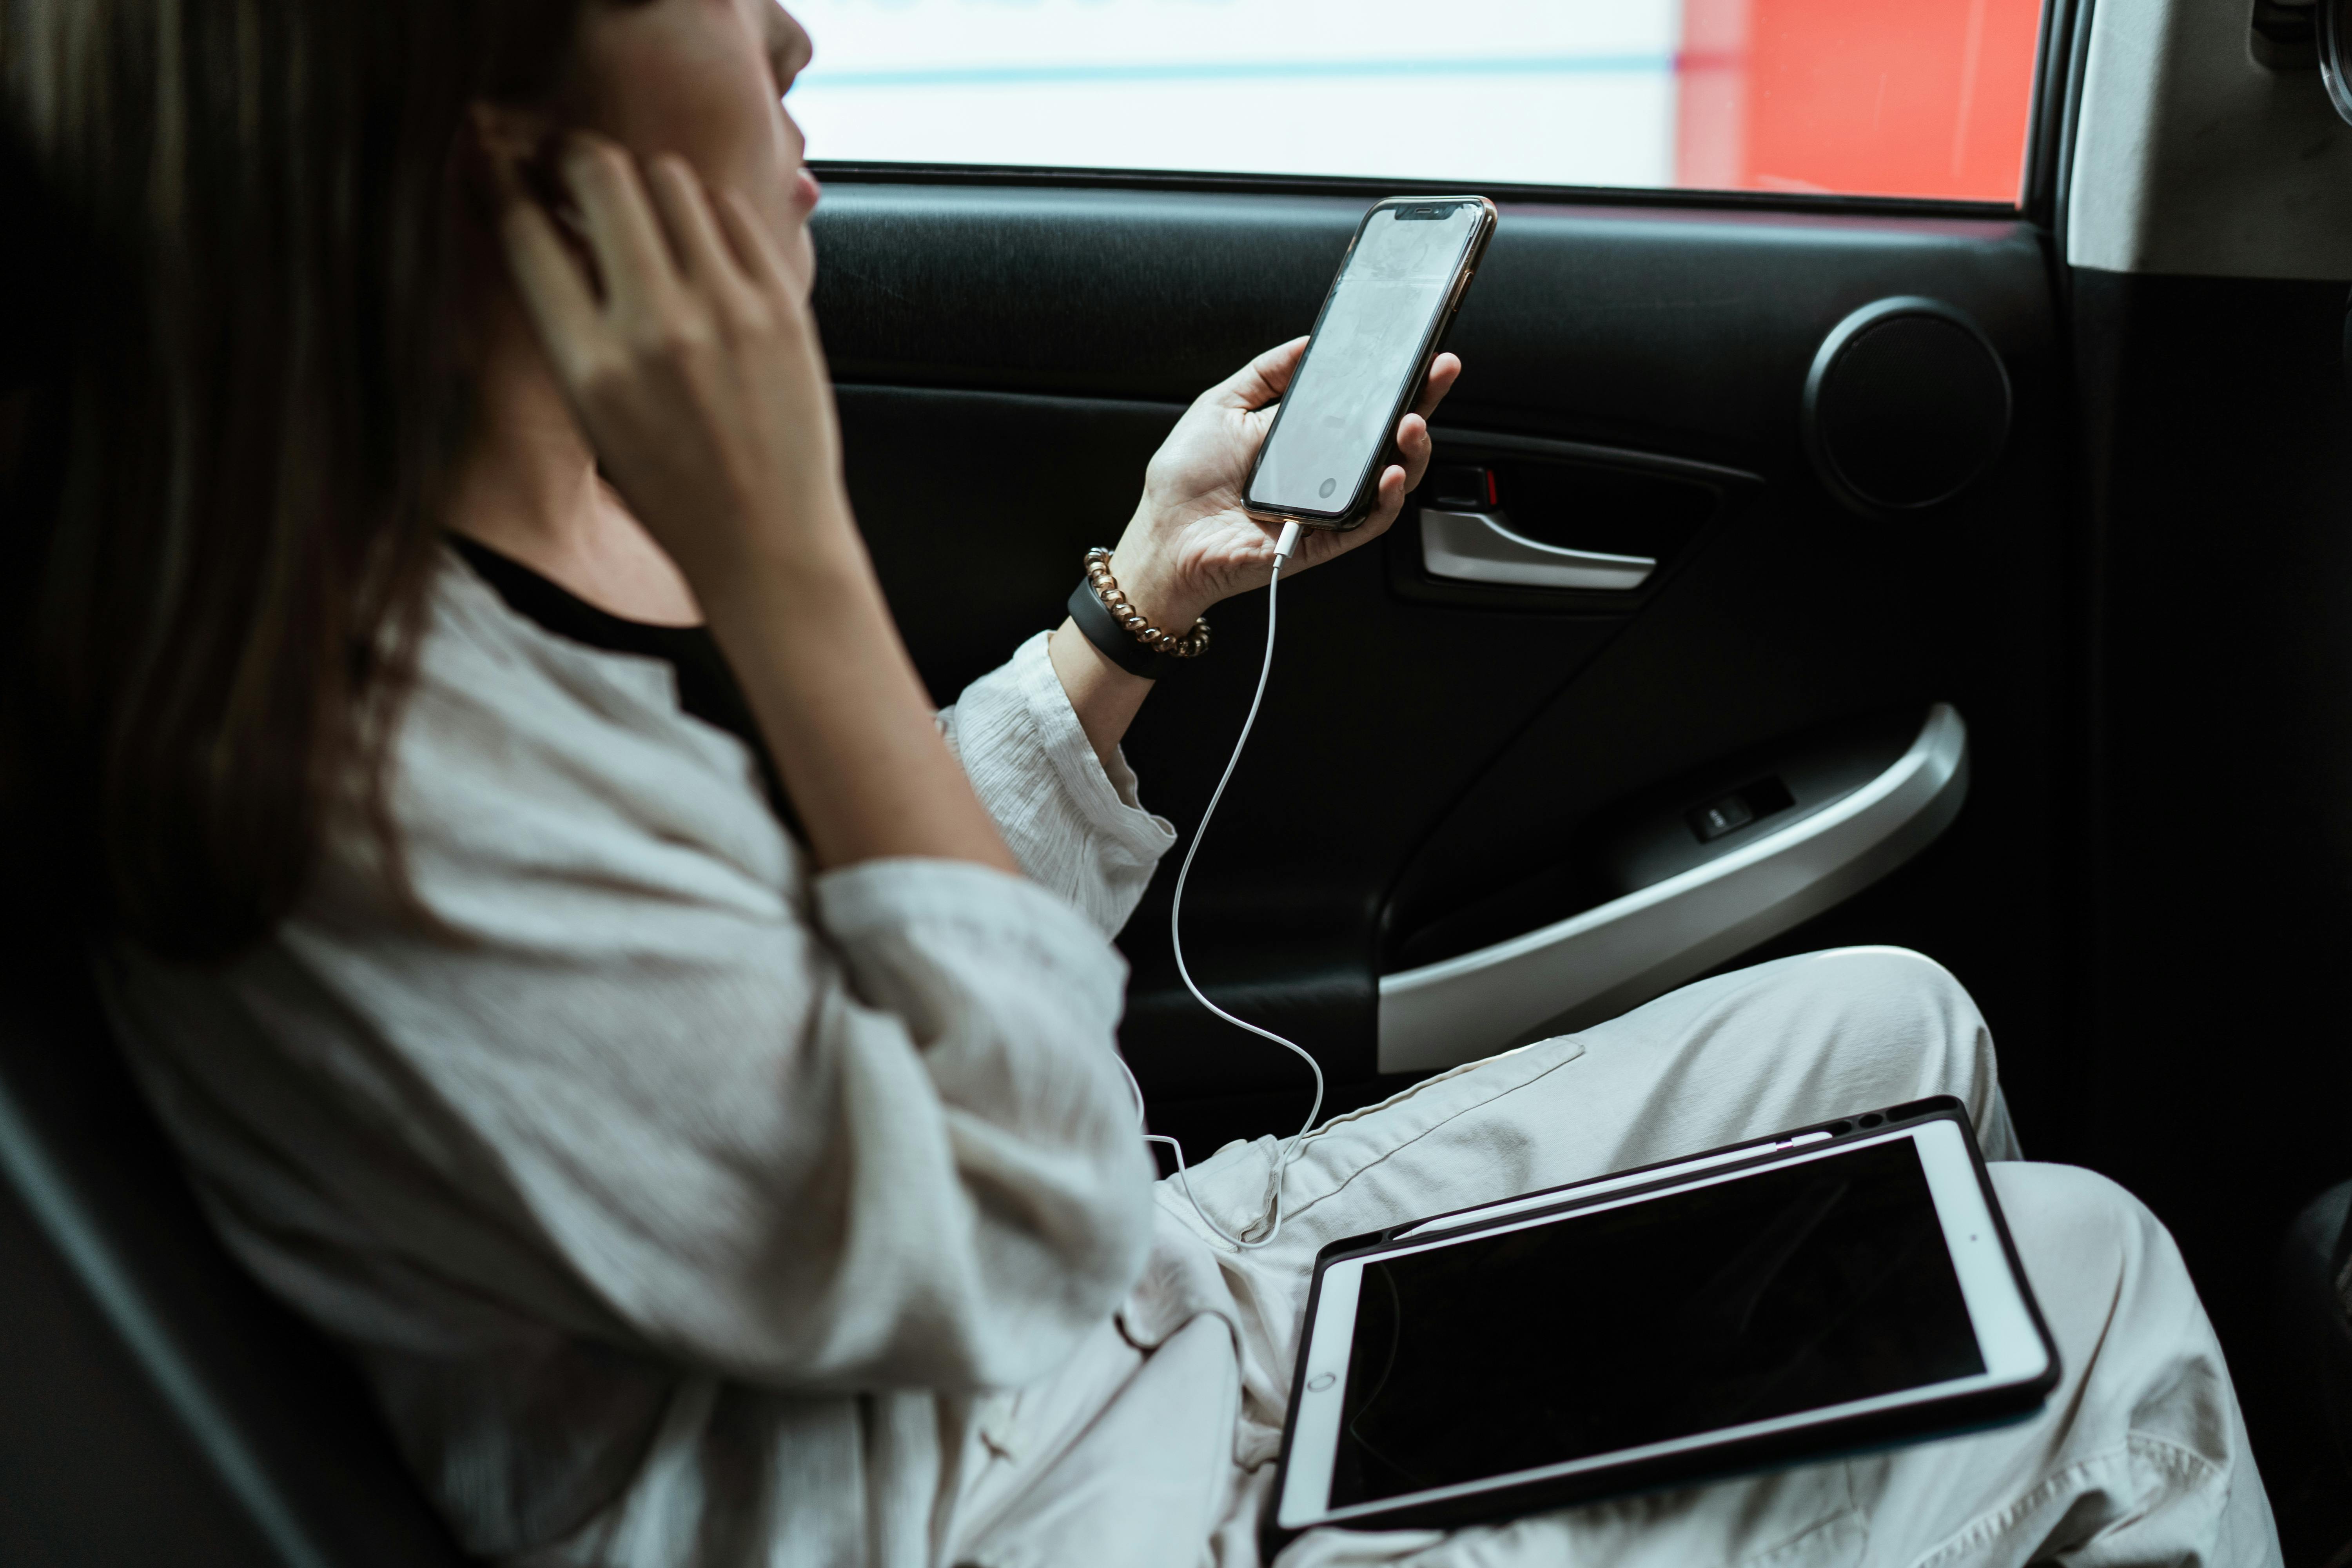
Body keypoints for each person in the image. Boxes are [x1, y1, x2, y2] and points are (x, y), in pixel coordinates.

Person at [2, 1, 2281, 1564]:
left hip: (1092, 1344)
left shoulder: (505, 552)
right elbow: (1014, 1220)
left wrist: (1133, 613)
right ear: (491, 132)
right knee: (2083, 1287)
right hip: (1043, 1498)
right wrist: (787, 553)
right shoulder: (377, 787)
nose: (796, 39)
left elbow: (848, 1001)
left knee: (1890, 1024)